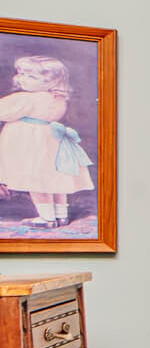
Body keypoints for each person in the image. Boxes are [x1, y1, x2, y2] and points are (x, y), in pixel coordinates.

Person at [0, 55, 92, 229]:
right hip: (51, 141)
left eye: (31, 76)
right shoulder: (58, 99)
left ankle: (47, 218)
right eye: (21, 73)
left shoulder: (26, 98)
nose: (22, 78)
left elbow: (4, 112)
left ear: (51, 81)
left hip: (29, 142)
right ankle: (61, 216)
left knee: (37, 180)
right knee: (53, 180)